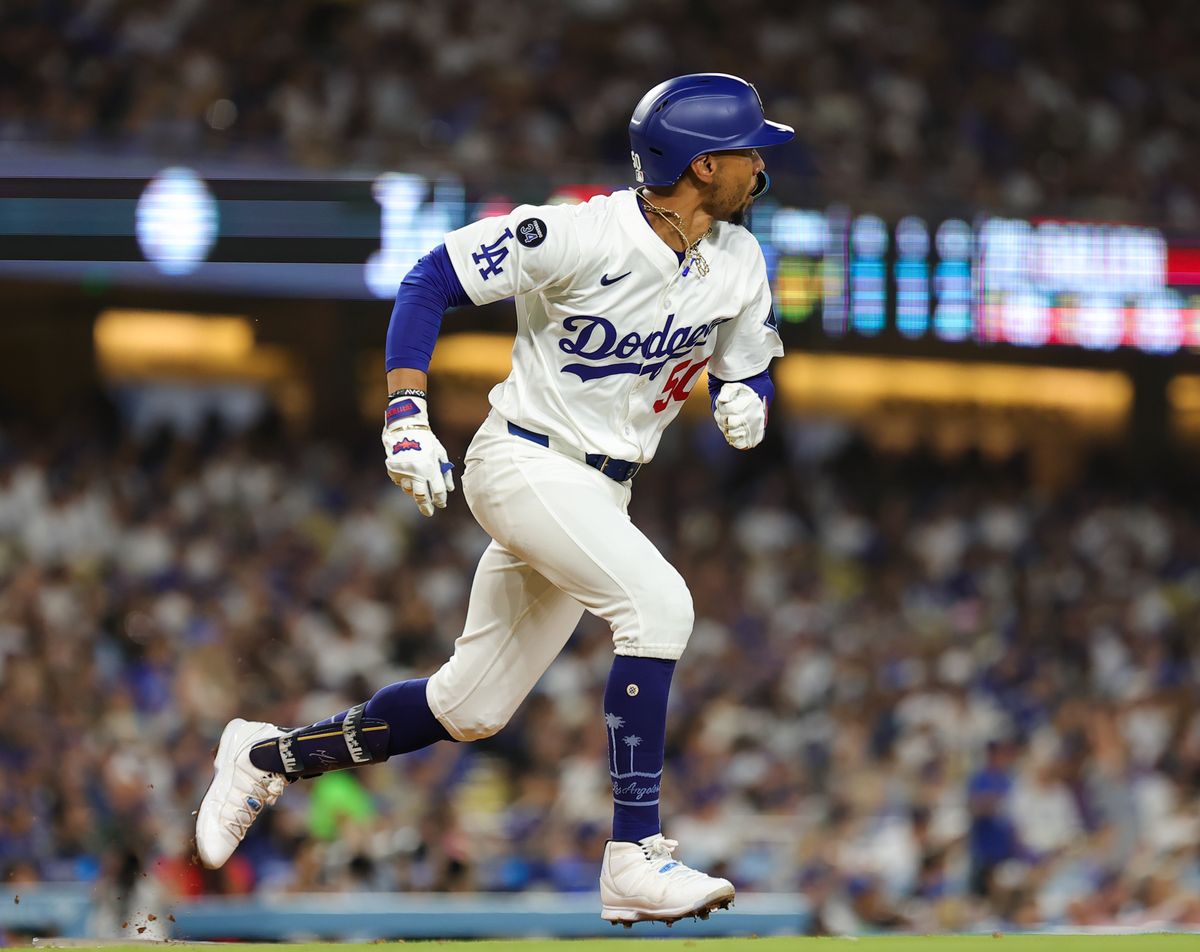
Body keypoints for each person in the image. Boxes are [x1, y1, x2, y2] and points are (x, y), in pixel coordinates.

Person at [195, 72, 792, 926]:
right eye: (748, 150)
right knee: (659, 608)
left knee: (467, 708)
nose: (761, 165)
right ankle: (634, 856)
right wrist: (406, 413)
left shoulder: (737, 257)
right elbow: (428, 278)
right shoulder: (581, 233)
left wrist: (752, 394)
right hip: (523, 463)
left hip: (602, 489)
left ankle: (266, 757)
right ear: (701, 167)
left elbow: (748, 356)